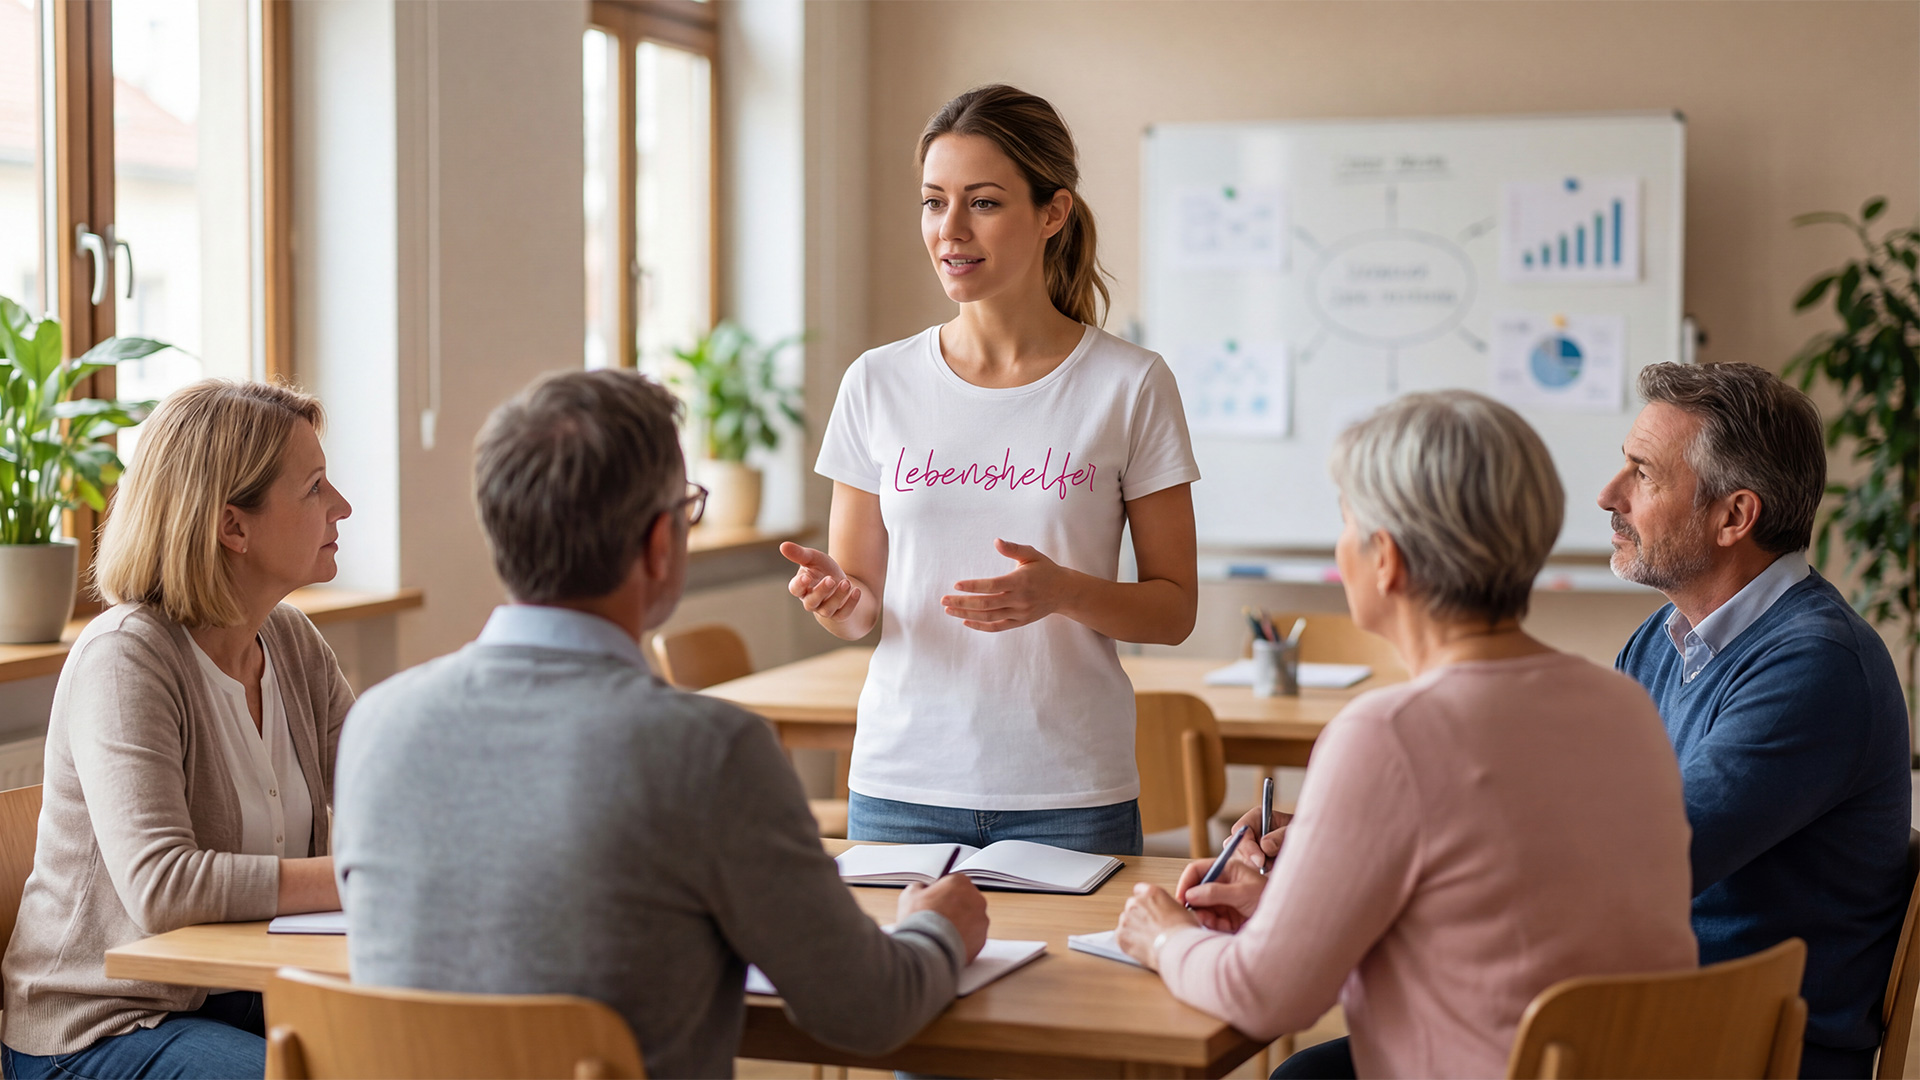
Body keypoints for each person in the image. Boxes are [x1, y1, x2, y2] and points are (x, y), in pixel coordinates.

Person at [333, 369, 990, 1079]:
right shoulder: (707, 753)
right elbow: (867, 1010)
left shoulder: (376, 725)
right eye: (687, 507)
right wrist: (941, 927)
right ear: (658, 544)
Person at [1114, 391, 1698, 1079]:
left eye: (1346, 524)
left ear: (1385, 559)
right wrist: (1296, 908)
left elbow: (1268, 998)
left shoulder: (1386, 736)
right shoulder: (1624, 705)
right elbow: (1492, 920)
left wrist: (1164, 936)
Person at [783, 84, 1200, 855]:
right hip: (901, 785)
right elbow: (861, 610)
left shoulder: (1131, 384)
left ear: (1052, 213)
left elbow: (1174, 611)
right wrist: (836, 598)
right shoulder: (877, 382)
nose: (950, 229)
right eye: (933, 202)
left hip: (1071, 791)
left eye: (982, 203)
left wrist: (1064, 591)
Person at [1, 381, 354, 1079]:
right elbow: (163, 887)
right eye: (314, 487)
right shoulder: (125, 657)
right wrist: (361, 879)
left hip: (245, 995)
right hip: (101, 1024)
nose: (341, 505)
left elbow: (390, 794)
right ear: (233, 527)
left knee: (436, 1044)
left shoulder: (291, 641)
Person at [1601, 361, 1910, 1079]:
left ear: (1734, 517)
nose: (1609, 495)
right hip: (1652, 1014)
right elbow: (1582, 809)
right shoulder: (1661, 638)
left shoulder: (1818, 664)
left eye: (1642, 474)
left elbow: (1642, 862)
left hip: (1742, 1051)